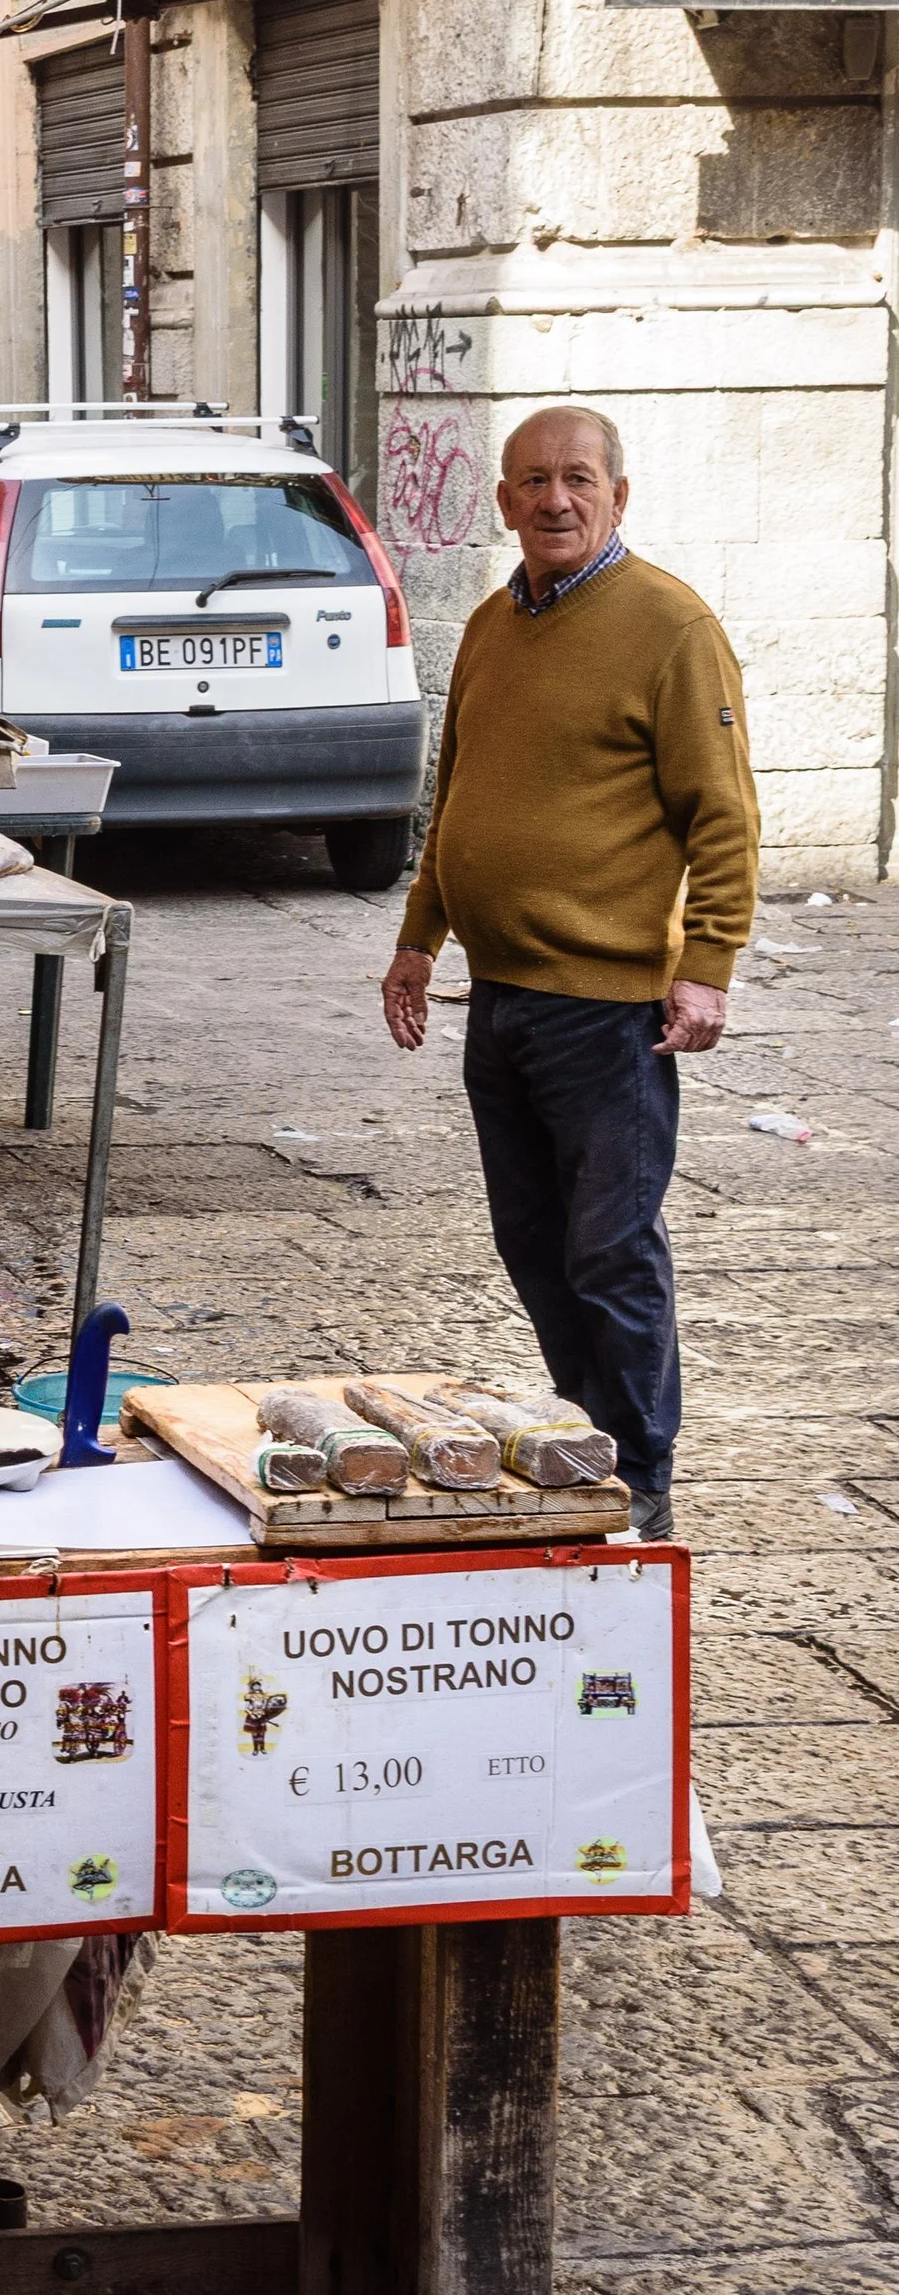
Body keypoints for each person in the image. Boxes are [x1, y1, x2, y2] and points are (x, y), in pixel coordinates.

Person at [380, 407, 758, 1542]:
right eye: (533, 481)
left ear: (617, 495)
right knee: (533, 1244)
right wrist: (418, 937)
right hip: (500, 1002)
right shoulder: (496, 621)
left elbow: (723, 816)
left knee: (609, 1250)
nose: (554, 499)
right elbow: (458, 801)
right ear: (502, 502)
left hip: (608, 1015)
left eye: (577, 479)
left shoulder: (669, 626)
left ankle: (639, 1473)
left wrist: (707, 964)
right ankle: (588, 1435)